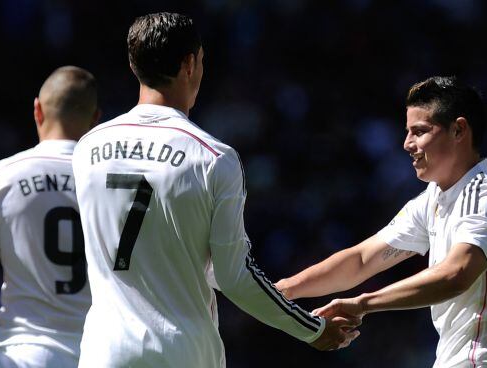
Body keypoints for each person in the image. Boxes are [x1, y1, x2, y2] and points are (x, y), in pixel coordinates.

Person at [72, 12, 358, 368]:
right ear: (190, 64)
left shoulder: (87, 147)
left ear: (134, 65)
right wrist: (313, 329)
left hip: (104, 351)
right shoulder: (212, 157)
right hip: (181, 351)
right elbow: (233, 276)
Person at [276, 76, 487, 367]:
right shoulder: (435, 198)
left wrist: (363, 304)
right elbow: (362, 259)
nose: (406, 144)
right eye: (407, 132)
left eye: (419, 131)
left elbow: (455, 275)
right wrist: (282, 290)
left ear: (459, 130)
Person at [0, 66, 99, 367]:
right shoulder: (113, 185)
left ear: (37, 110)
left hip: (22, 353)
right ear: (95, 119)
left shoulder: (1, 177)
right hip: (96, 353)